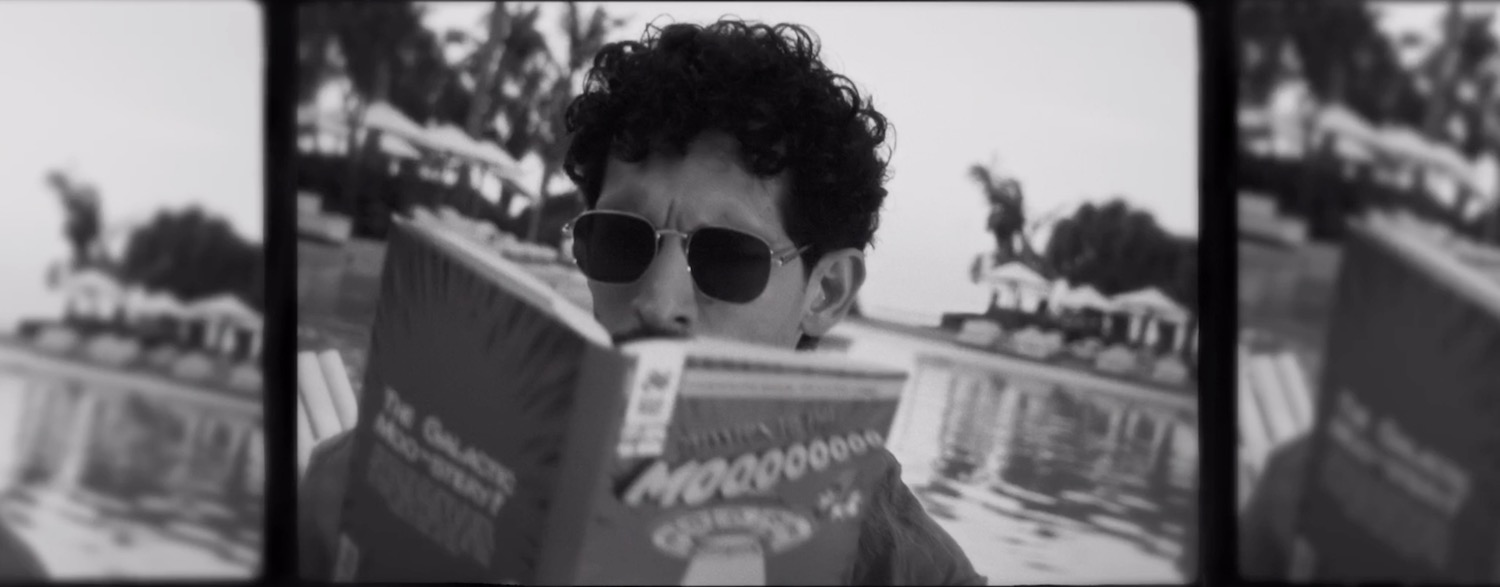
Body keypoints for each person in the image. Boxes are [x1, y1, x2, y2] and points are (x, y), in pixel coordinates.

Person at [300, 18, 985, 585]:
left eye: (726, 257)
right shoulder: (402, 464)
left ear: (826, 292)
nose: (657, 302)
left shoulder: (902, 567)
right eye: (620, 241)